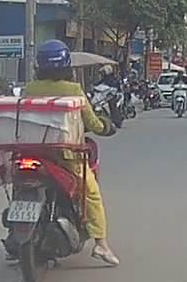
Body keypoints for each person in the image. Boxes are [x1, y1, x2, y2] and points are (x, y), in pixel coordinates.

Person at [21, 39, 120, 266]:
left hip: (30, 150)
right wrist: (106, 126)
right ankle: (101, 244)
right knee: (91, 193)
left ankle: (16, 237)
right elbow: (92, 123)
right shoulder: (73, 90)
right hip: (64, 156)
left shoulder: (30, 89)